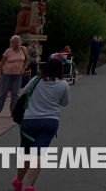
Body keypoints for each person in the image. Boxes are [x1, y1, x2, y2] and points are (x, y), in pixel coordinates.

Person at [14, 57, 69, 191]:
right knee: (39, 153)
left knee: (26, 152)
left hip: (30, 120)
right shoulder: (63, 84)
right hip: (50, 121)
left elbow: (25, 92)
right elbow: (64, 103)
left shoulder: (36, 80)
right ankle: (30, 186)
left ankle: (18, 181)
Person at [0, 35, 28, 118]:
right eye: (14, 42)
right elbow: (1, 63)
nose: (16, 44)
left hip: (18, 74)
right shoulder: (8, 51)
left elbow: (26, 60)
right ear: (11, 43)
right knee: (3, 92)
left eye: (17, 42)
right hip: (7, 73)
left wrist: (24, 68)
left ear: (20, 42)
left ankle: (13, 111)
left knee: (15, 93)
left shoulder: (23, 49)